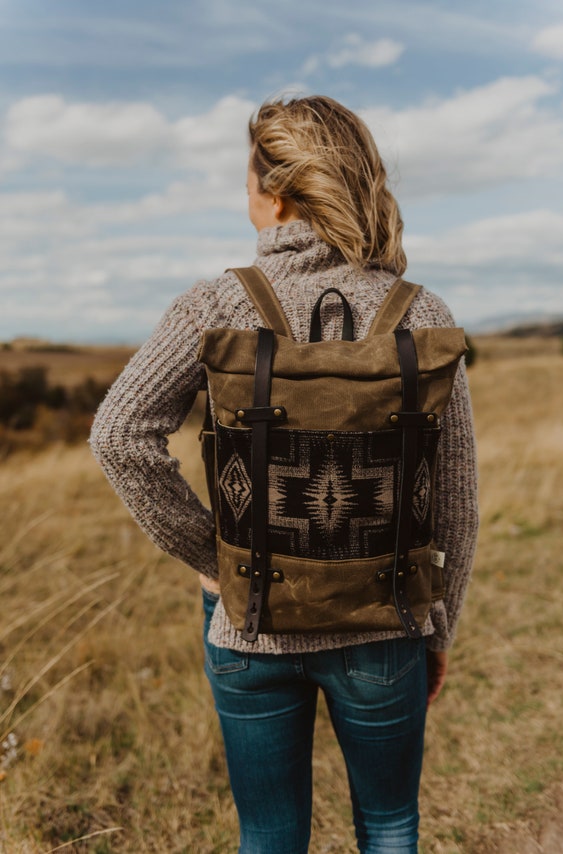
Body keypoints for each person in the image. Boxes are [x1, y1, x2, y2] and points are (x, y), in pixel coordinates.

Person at [90, 95, 478, 854]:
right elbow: (456, 499)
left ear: (276, 194)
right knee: (391, 824)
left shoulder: (215, 302)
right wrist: (439, 627)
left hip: (252, 623)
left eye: (246, 185)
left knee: (268, 834)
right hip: (387, 620)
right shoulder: (417, 309)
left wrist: (218, 560)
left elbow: (117, 436)